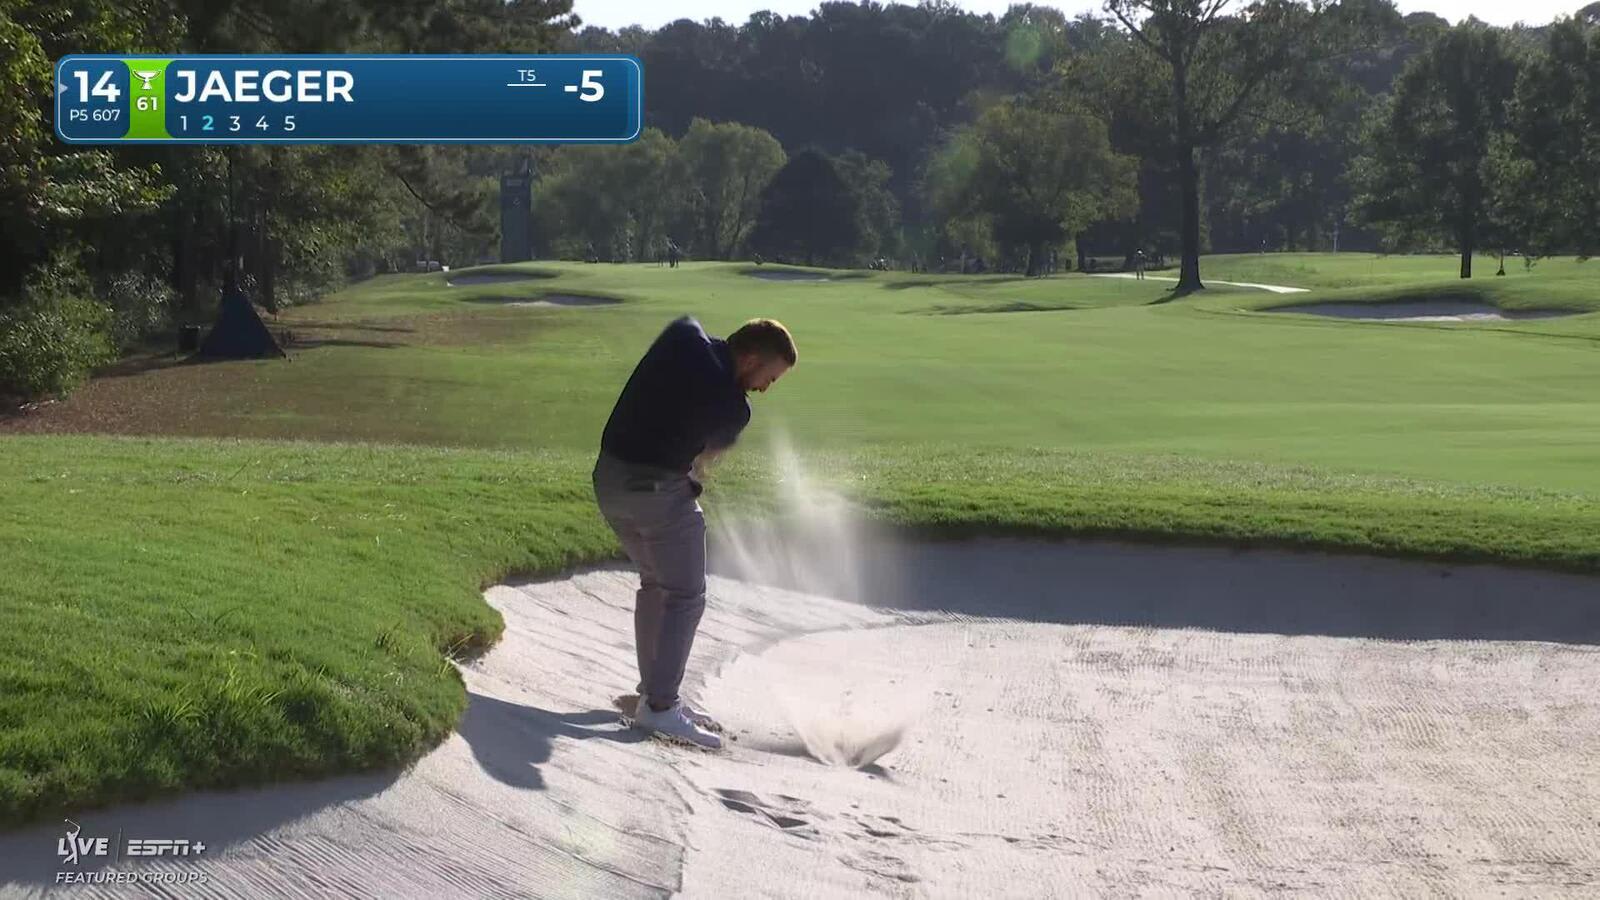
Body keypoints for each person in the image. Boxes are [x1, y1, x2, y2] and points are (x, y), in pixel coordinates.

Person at [592, 317, 798, 749]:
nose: (765, 388)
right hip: (654, 493)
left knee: (655, 584)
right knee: (686, 595)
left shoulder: (684, 334)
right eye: (769, 376)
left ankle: (653, 693)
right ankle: (661, 707)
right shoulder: (734, 409)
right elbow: (704, 460)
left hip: (609, 483)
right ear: (750, 358)